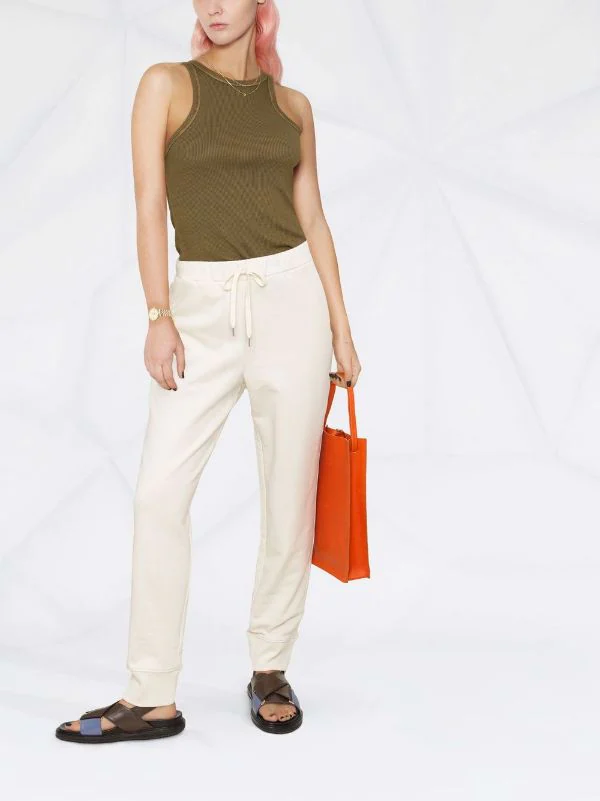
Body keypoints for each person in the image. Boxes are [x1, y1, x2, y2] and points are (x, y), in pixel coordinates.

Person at [55, 0, 361, 742]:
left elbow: (313, 217)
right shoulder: (165, 84)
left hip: (291, 301)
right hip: (197, 304)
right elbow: (149, 204)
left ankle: (270, 667)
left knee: (289, 494)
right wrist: (157, 313)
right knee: (159, 493)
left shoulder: (292, 107)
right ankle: (151, 692)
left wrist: (342, 331)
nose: (214, 5)